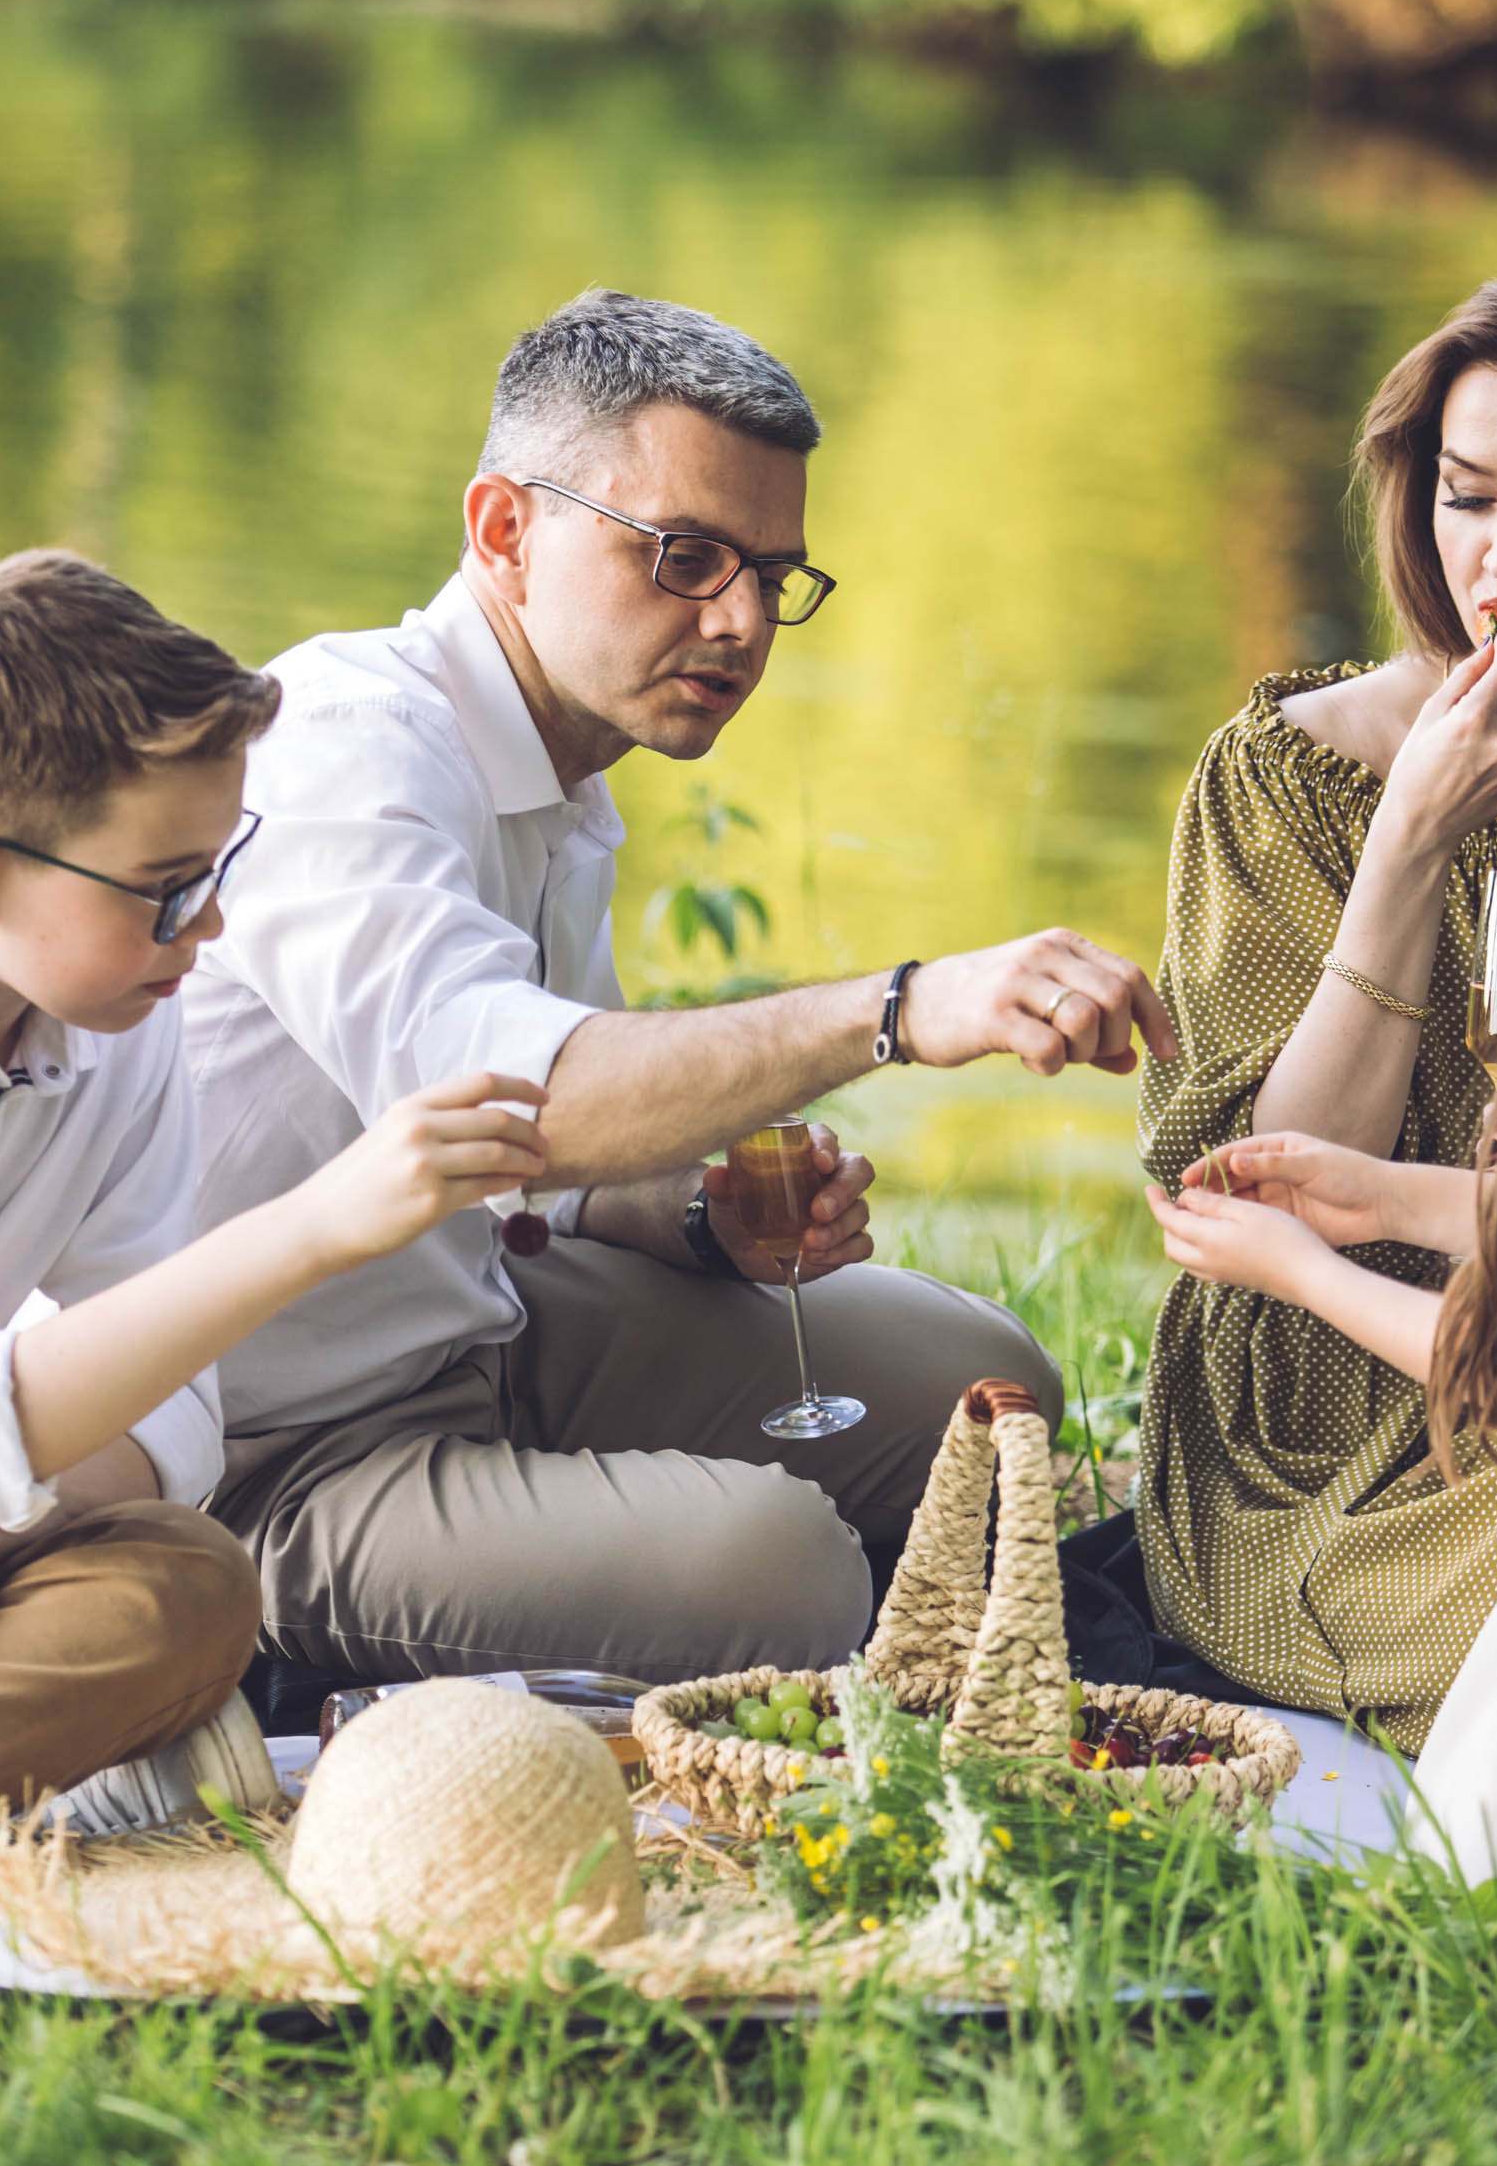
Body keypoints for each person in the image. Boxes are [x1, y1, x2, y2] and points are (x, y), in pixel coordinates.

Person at [184, 290, 1172, 1709]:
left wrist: (702, 1214)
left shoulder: (560, 774)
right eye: (687, 557)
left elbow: (552, 1178)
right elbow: (531, 1099)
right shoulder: (352, 755)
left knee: (981, 1389)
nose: (743, 622)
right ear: (504, 531)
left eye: (775, 575)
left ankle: (568, 1581)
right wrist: (895, 1009)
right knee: (790, 1574)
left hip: (489, 1332)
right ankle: (304, 1668)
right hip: (275, 1451)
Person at [0, 550, 551, 1899]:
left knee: (187, 1591)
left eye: (224, 866)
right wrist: (312, 1228)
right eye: (164, 885)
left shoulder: (121, 1041)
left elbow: (175, 1430)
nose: (209, 925)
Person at [1101, 251, 1497, 1755]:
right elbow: (1239, 1196)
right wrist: (1408, 844)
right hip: (1331, 1419)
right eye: (1464, 489)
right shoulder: (1291, 771)